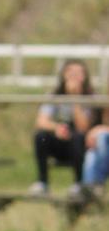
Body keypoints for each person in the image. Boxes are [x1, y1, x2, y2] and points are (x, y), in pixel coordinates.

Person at [31, 60, 99, 195]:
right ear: (63, 75)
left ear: (85, 76)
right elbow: (41, 121)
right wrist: (56, 128)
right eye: (71, 72)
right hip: (59, 139)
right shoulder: (54, 95)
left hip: (82, 145)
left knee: (78, 137)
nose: (74, 76)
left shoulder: (91, 97)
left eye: (78, 73)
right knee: (40, 136)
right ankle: (42, 183)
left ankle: (79, 184)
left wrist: (75, 98)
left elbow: (83, 127)